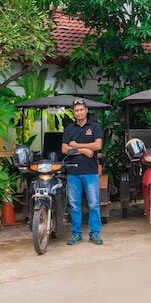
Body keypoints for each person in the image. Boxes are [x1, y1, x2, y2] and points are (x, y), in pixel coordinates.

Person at [61, 99, 104, 245]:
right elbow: (64, 149)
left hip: (90, 172)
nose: (79, 112)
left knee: (93, 204)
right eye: (76, 110)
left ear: (86, 111)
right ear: (73, 113)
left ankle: (95, 233)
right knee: (74, 204)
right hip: (73, 171)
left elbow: (98, 145)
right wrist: (85, 150)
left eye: (81, 110)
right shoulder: (69, 129)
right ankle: (76, 234)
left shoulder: (95, 127)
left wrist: (77, 145)